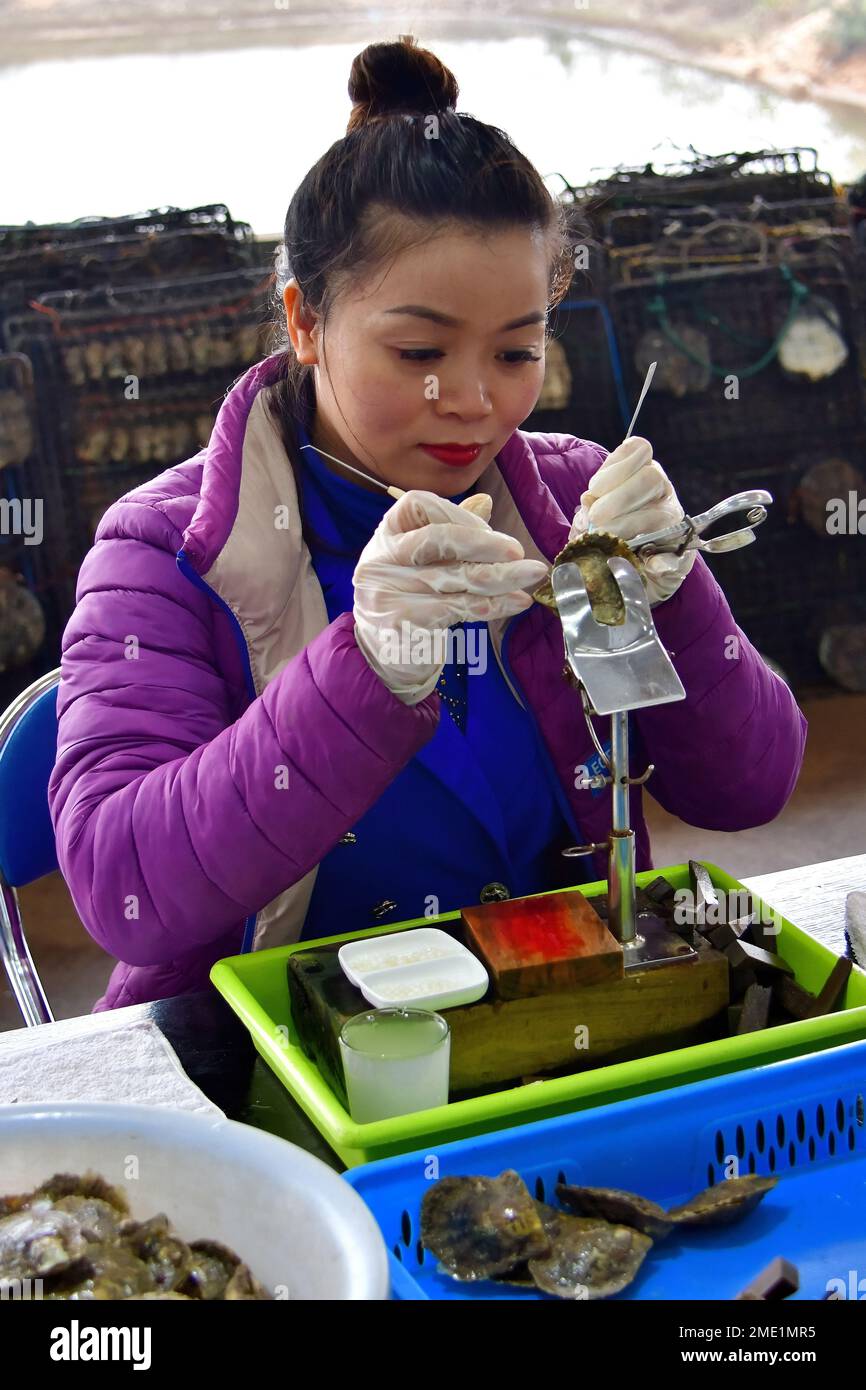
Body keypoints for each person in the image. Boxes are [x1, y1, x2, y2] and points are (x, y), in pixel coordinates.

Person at [48, 35, 807, 1012]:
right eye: (418, 351)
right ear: (306, 321)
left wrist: (670, 601)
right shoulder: (167, 548)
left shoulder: (569, 509)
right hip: (271, 1056)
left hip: (544, 1018)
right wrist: (363, 666)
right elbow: (124, 887)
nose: (472, 401)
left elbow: (745, 788)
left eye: (515, 351)